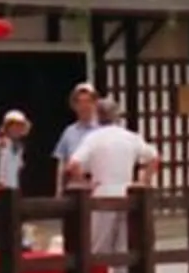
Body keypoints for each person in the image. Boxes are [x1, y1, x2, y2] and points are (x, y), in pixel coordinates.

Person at [69, 100, 157, 262]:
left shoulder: (93, 138)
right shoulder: (130, 137)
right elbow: (154, 157)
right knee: (123, 247)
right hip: (126, 193)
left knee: (99, 246)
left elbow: (73, 164)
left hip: (102, 192)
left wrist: (85, 183)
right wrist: (144, 181)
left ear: (98, 115)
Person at [52, 82, 102, 182]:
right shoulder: (69, 132)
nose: (84, 106)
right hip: (74, 186)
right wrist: (58, 191)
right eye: (80, 102)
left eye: (88, 101)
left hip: (98, 183)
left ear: (95, 104)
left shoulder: (103, 130)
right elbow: (61, 163)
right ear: (74, 105)